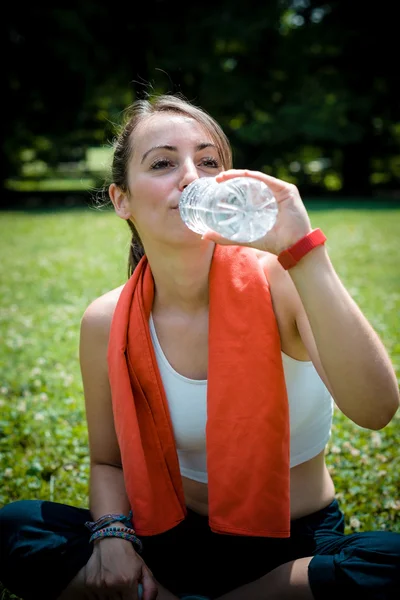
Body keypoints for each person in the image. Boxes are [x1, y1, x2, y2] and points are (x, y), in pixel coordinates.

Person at [0, 93, 399, 600]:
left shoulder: (284, 283)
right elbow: (109, 463)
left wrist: (304, 253)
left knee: (387, 560)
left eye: (209, 162)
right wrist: (113, 538)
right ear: (121, 199)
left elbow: (377, 409)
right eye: (163, 163)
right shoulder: (107, 320)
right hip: (166, 535)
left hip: (290, 549)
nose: (192, 177)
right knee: (17, 525)